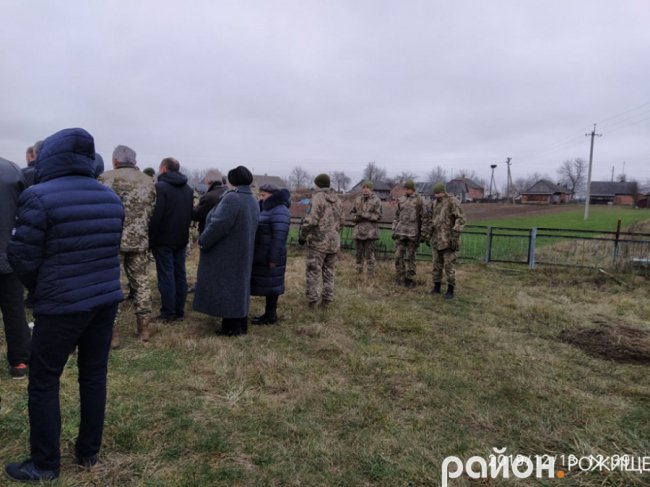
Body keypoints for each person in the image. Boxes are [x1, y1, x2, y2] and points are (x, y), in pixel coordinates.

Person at [4, 128, 124, 482]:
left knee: (43, 381)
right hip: (104, 301)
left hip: (61, 306)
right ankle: (88, 452)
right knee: (93, 374)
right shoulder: (110, 198)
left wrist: (41, 288)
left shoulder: (39, 197)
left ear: (49, 156)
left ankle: (44, 464)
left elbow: (21, 257)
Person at [99, 145, 156, 345]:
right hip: (139, 241)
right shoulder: (149, 181)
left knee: (113, 285)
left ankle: (113, 334)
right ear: (134, 160)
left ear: (115, 161)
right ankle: (144, 330)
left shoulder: (106, 178)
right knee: (141, 283)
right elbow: (153, 210)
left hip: (112, 241)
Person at [193, 166, 259, 336]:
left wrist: (203, 240)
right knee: (238, 287)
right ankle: (238, 323)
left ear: (231, 181)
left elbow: (219, 224)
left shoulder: (233, 198)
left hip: (227, 252)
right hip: (242, 251)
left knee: (228, 288)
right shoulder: (251, 199)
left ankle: (232, 328)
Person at [149, 157, 194, 322]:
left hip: (163, 239)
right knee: (179, 274)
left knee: (166, 275)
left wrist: (151, 239)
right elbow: (190, 214)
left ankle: (168, 313)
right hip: (181, 238)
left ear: (164, 169)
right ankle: (179, 311)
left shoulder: (160, 188)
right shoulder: (188, 189)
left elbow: (156, 216)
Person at [0, 157, 31, 379]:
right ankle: (19, 362)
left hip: (7, 253)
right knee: (14, 308)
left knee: (14, 307)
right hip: (8, 252)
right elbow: (24, 210)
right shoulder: (11, 170)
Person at [298, 174, 344, 308]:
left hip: (318, 242)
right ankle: (327, 300)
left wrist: (303, 236)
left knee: (313, 271)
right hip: (333, 242)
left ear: (318, 184)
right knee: (329, 272)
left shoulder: (317, 198)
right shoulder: (338, 200)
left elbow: (311, 221)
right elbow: (342, 222)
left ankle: (313, 300)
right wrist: (333, 233)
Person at [250, 183, 291, 325]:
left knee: (273, 286)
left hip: (272, 255)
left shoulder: (280, 210)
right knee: (269, 284)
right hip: (261, 253)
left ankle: (270, 315)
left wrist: (273, 258)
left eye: (264, 195)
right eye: (260, 195)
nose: (261, 198)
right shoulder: (265, 207)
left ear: (273, 195)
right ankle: (269, 314)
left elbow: (279, 236)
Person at [421, 182, 466, 299]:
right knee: (436, 265)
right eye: (435, 193)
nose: (437, 195)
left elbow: (461, 219)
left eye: (439, 192)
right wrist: (427, 235)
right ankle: (436, 287)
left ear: (443, 191)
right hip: (436, 240)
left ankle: (450, 289)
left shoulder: (452, 201)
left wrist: (455, 236)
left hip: (448, 240)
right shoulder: (434, 204)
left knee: (448, 266)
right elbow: (432, 222)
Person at [392, 179, 423, 288]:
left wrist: (422, 234)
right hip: (400, 233)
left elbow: (423, 218)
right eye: (405, 188)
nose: (407, 190)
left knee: (411, 257)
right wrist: (394, 229)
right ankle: (400, 276)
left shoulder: (419, 201)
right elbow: (396, 216)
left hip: (412, 234)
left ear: (413, 189)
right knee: (398, 256)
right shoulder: (401, 200)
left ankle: (410, 279)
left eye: (408, 188)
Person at [351, 180, 382, 277]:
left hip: (370, 233)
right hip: (358, 231)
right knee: (358, 254)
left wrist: (364, 215)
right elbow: (352, 213)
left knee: (370, 255)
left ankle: (370, 275)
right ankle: (358, 274)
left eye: (367, 188)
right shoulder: (357, 199)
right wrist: (356, 217)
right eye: (364, 188)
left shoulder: (376, 200)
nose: (365, 190)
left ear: (371, 189)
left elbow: (378, 216)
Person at [192, 169, 228, 234]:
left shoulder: (208, 197)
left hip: (208, 234)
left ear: (207, 180)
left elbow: (196, 215)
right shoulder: (228, 193)